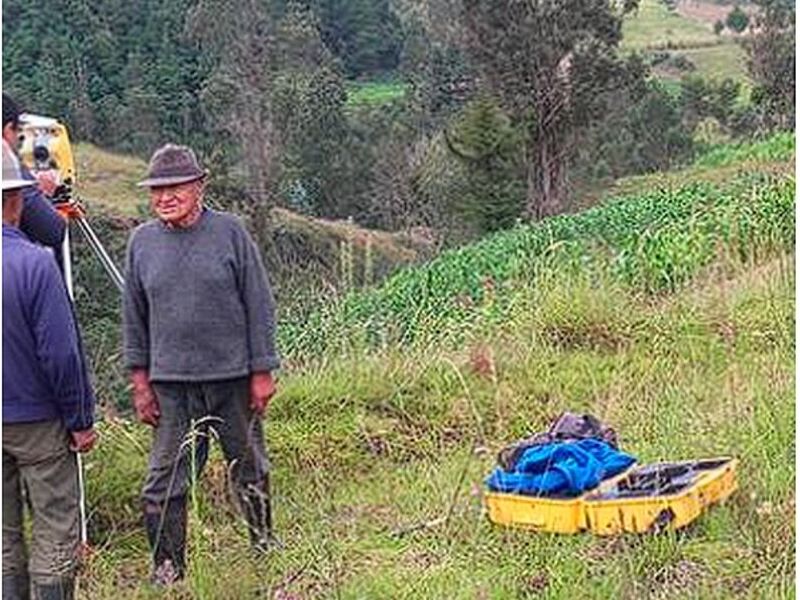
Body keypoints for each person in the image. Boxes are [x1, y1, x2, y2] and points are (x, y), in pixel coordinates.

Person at [122, 144, 281, 585]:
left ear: (199, 186)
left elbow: (259, 303)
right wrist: (140, 382)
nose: (164, 197)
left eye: (174, 187)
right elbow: (134, 318)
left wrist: (262, 371)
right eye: (156, 190)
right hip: (172, 388)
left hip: (232, 379)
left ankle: (263, 544)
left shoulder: (230, 233)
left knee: (249, 467)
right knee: (164, 480)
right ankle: (168, 568)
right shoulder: (142, 242)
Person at [2, 137, 97, 600]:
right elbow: (61, 355)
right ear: (16, 200)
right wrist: (80, 420)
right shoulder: (36, 265)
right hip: (38, 421)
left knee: (2, 537)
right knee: (55, 527)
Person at [2, 93, 66, 261]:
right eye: (18, 133)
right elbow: (52, 231)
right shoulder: (12, 174)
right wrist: (45, 195)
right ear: (8, 130)